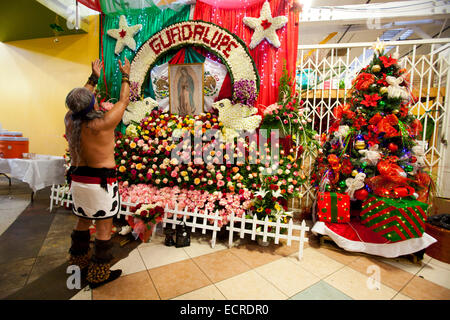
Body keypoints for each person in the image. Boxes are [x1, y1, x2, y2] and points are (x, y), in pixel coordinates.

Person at [64, 58, 130, 288]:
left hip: (78, 182)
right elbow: (124, 100)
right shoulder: (103, 123)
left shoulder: (69, 121)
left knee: (82, 222)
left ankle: (78, 261)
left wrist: (93, 77)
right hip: (100, 184)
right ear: (91, 103)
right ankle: (98, 275)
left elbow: (80, 101)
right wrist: (125, 75)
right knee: (103, 229)